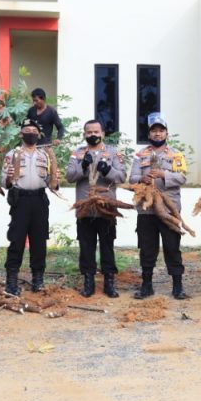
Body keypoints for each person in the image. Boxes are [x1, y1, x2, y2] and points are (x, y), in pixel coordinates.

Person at [129, 112, 189, 299]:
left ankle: (177, 286)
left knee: (172, 246)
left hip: (169, 207)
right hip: (146, 208)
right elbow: (132, 179)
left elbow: (182, 177)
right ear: (149, 135)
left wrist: (165, 175)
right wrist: (142, 178)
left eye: (160, 131)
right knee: (147, 247)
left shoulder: (176, 155)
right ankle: (147, 285)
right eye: (154, 131)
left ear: (166, 133)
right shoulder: (140, 155)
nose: (157, 134)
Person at [66, 119, 126, 297]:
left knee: (107, 245)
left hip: (106, 207)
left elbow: (121, 177)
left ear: (102, 134)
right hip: (85, 207)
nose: (93, 135)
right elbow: (69, 176)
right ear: (84, 134)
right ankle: (88, 281)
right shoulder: (77, 154)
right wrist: (83, 166)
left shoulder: (113, 153)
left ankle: (109, 282)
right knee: (86, 246)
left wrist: (108, 171)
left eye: (96, 132)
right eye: (89, 132)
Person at [2, 117, 52, 296]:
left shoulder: (44, 155)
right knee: (17, 239)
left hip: (39, 200)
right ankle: (11, 280)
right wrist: (8, 177)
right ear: (21, 133)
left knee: (39, 240)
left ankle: (38, 279)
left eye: (34, 131)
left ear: (39, 134)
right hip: (20, 200)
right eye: (27, 131)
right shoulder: (12, 154)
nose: (31, 134)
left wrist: (55, 180)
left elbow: (51, 181)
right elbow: (4, 182)